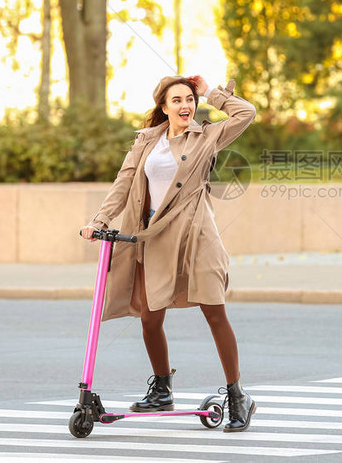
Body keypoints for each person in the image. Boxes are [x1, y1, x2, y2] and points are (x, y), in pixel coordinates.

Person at [80, 75, 257, 432]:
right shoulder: (146, 141)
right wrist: (98, 220)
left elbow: (246, 113)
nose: (185, 106)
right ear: (163, 106)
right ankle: (162, 387)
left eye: (190, 99)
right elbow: (124, 183)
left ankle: (238, 395)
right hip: (156, 237)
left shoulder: (207, 136)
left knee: (214, 311)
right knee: (149, 316)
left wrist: (211, 92)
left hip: (197, 235)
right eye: (176, 100)